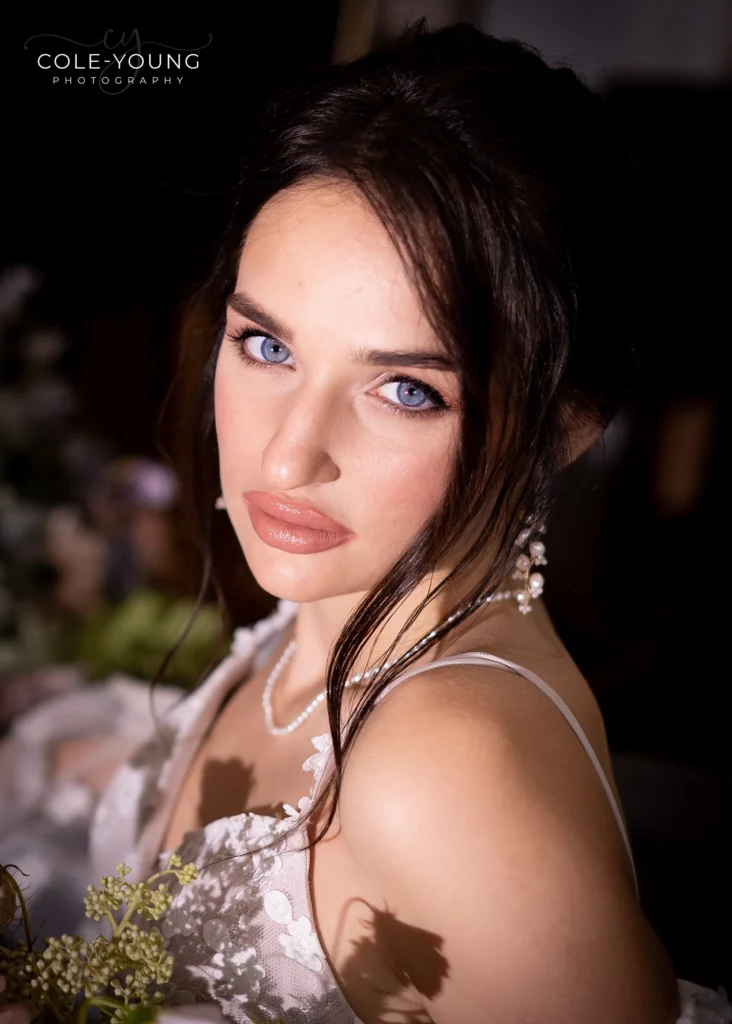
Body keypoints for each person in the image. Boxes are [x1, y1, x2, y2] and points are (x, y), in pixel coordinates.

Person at [2, 18, 729, 1024]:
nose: (290, 454)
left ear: (565, 429)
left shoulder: (446, 769)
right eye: (265, 345)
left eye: (405, 390)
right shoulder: (326, 625)